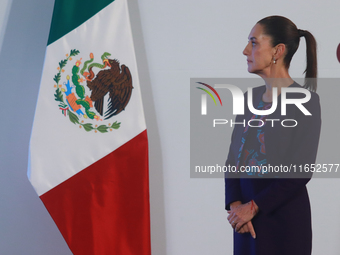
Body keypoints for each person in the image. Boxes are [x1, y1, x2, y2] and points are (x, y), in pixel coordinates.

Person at [224, 16, 321, 255]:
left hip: (282, 223)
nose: (246, 50)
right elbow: (233, 159)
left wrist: (254, 207)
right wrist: (237, 207)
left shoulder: (305, 102)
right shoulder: (248, 99)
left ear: (278, 50)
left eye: (254, 42)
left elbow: (300, 171)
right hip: (245, 225)